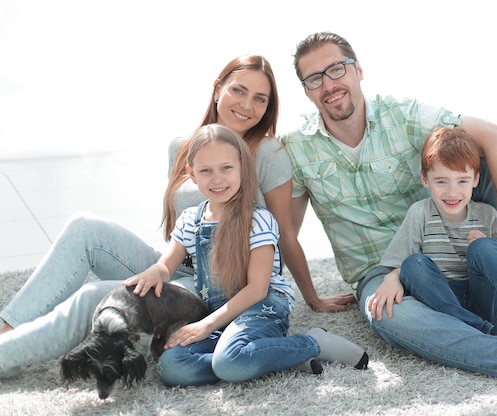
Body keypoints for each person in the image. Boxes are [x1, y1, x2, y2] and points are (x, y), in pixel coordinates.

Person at [0, 55, 352, 379]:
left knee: (96, 295)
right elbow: (179, 232)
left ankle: (4, 354)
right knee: (83, 227)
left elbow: (284, 234)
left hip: (212, 285)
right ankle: (9, 332)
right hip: (176, 263)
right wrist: (157, 269)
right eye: (239, 90)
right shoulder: (183, 147)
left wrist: (312, 297)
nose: (247, 105)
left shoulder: (268, 153)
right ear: (218, 89)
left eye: (260, 99)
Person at [279, 32, 497, 404]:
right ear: (306, 90)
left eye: (336, 69)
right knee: (387, 316)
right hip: (380, 270)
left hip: (445, 239)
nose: (328, 84)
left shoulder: (402, 115)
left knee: (487, 164)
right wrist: (311, 297)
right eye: (314, 78)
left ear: (357, 69)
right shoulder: (295, 147)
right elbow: (286, 232)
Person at [125, 123, 367, 386]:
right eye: (206, 171)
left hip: (261, 308)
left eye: (226, 168)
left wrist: (204, 326)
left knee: (228, 362)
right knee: (172, 368)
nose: (217, 179)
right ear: (191, 174)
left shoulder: (258, 219)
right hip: (220, 315)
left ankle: (312, 342)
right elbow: (166, 266)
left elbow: (257, 289)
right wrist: (154, 272)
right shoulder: (189, 221)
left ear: (242, 167)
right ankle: (272, 357)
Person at [378, 127, 497, 344]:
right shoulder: (419, 213)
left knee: (483, 247)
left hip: (490, 307)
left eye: (462, 181)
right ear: (425, 179)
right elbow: (404, 264)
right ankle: (483, 335)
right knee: (413, 263)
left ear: (475, 179)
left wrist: (487, 245)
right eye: (441, 181)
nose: (452, 192)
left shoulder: (488, 215)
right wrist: (392, 277)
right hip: (447, 305)